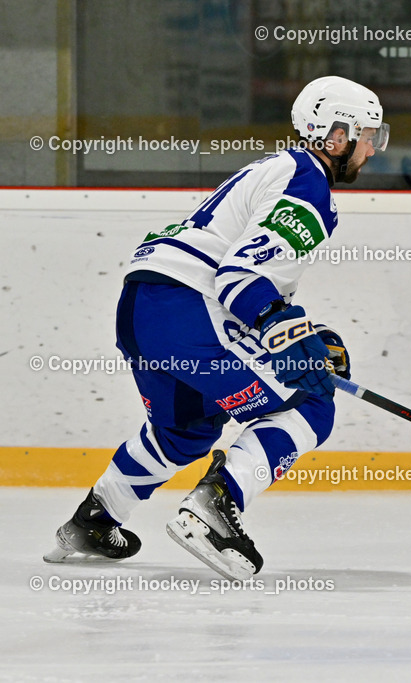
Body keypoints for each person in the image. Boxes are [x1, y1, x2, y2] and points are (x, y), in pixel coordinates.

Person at [43, 76, 389, 580]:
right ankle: (214, 506)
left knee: (184, 429)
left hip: (145, 306)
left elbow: (239, 269)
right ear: (336, 135)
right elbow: (241, 276)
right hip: (187, 311)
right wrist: (288, 335)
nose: (373, 150)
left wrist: (291, 331)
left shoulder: (276, 169)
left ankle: (95, 520)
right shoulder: (307, 183)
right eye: (369, 136)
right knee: (310, 399)